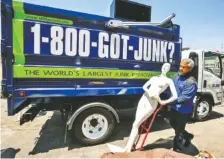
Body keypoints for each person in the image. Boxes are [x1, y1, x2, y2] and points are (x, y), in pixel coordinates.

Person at [161, 58, 198, 152]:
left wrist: (167, 102)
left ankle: (177, 149)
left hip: (183, 111)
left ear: (190, 68)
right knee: (172, 122)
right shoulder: (177, 76)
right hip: (174, 108)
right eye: (180, 66)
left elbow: (183, 99)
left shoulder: (191, 82)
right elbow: (169, 85)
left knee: (178, 132)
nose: (181, 68)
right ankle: (187, 135)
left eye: (184, 67)